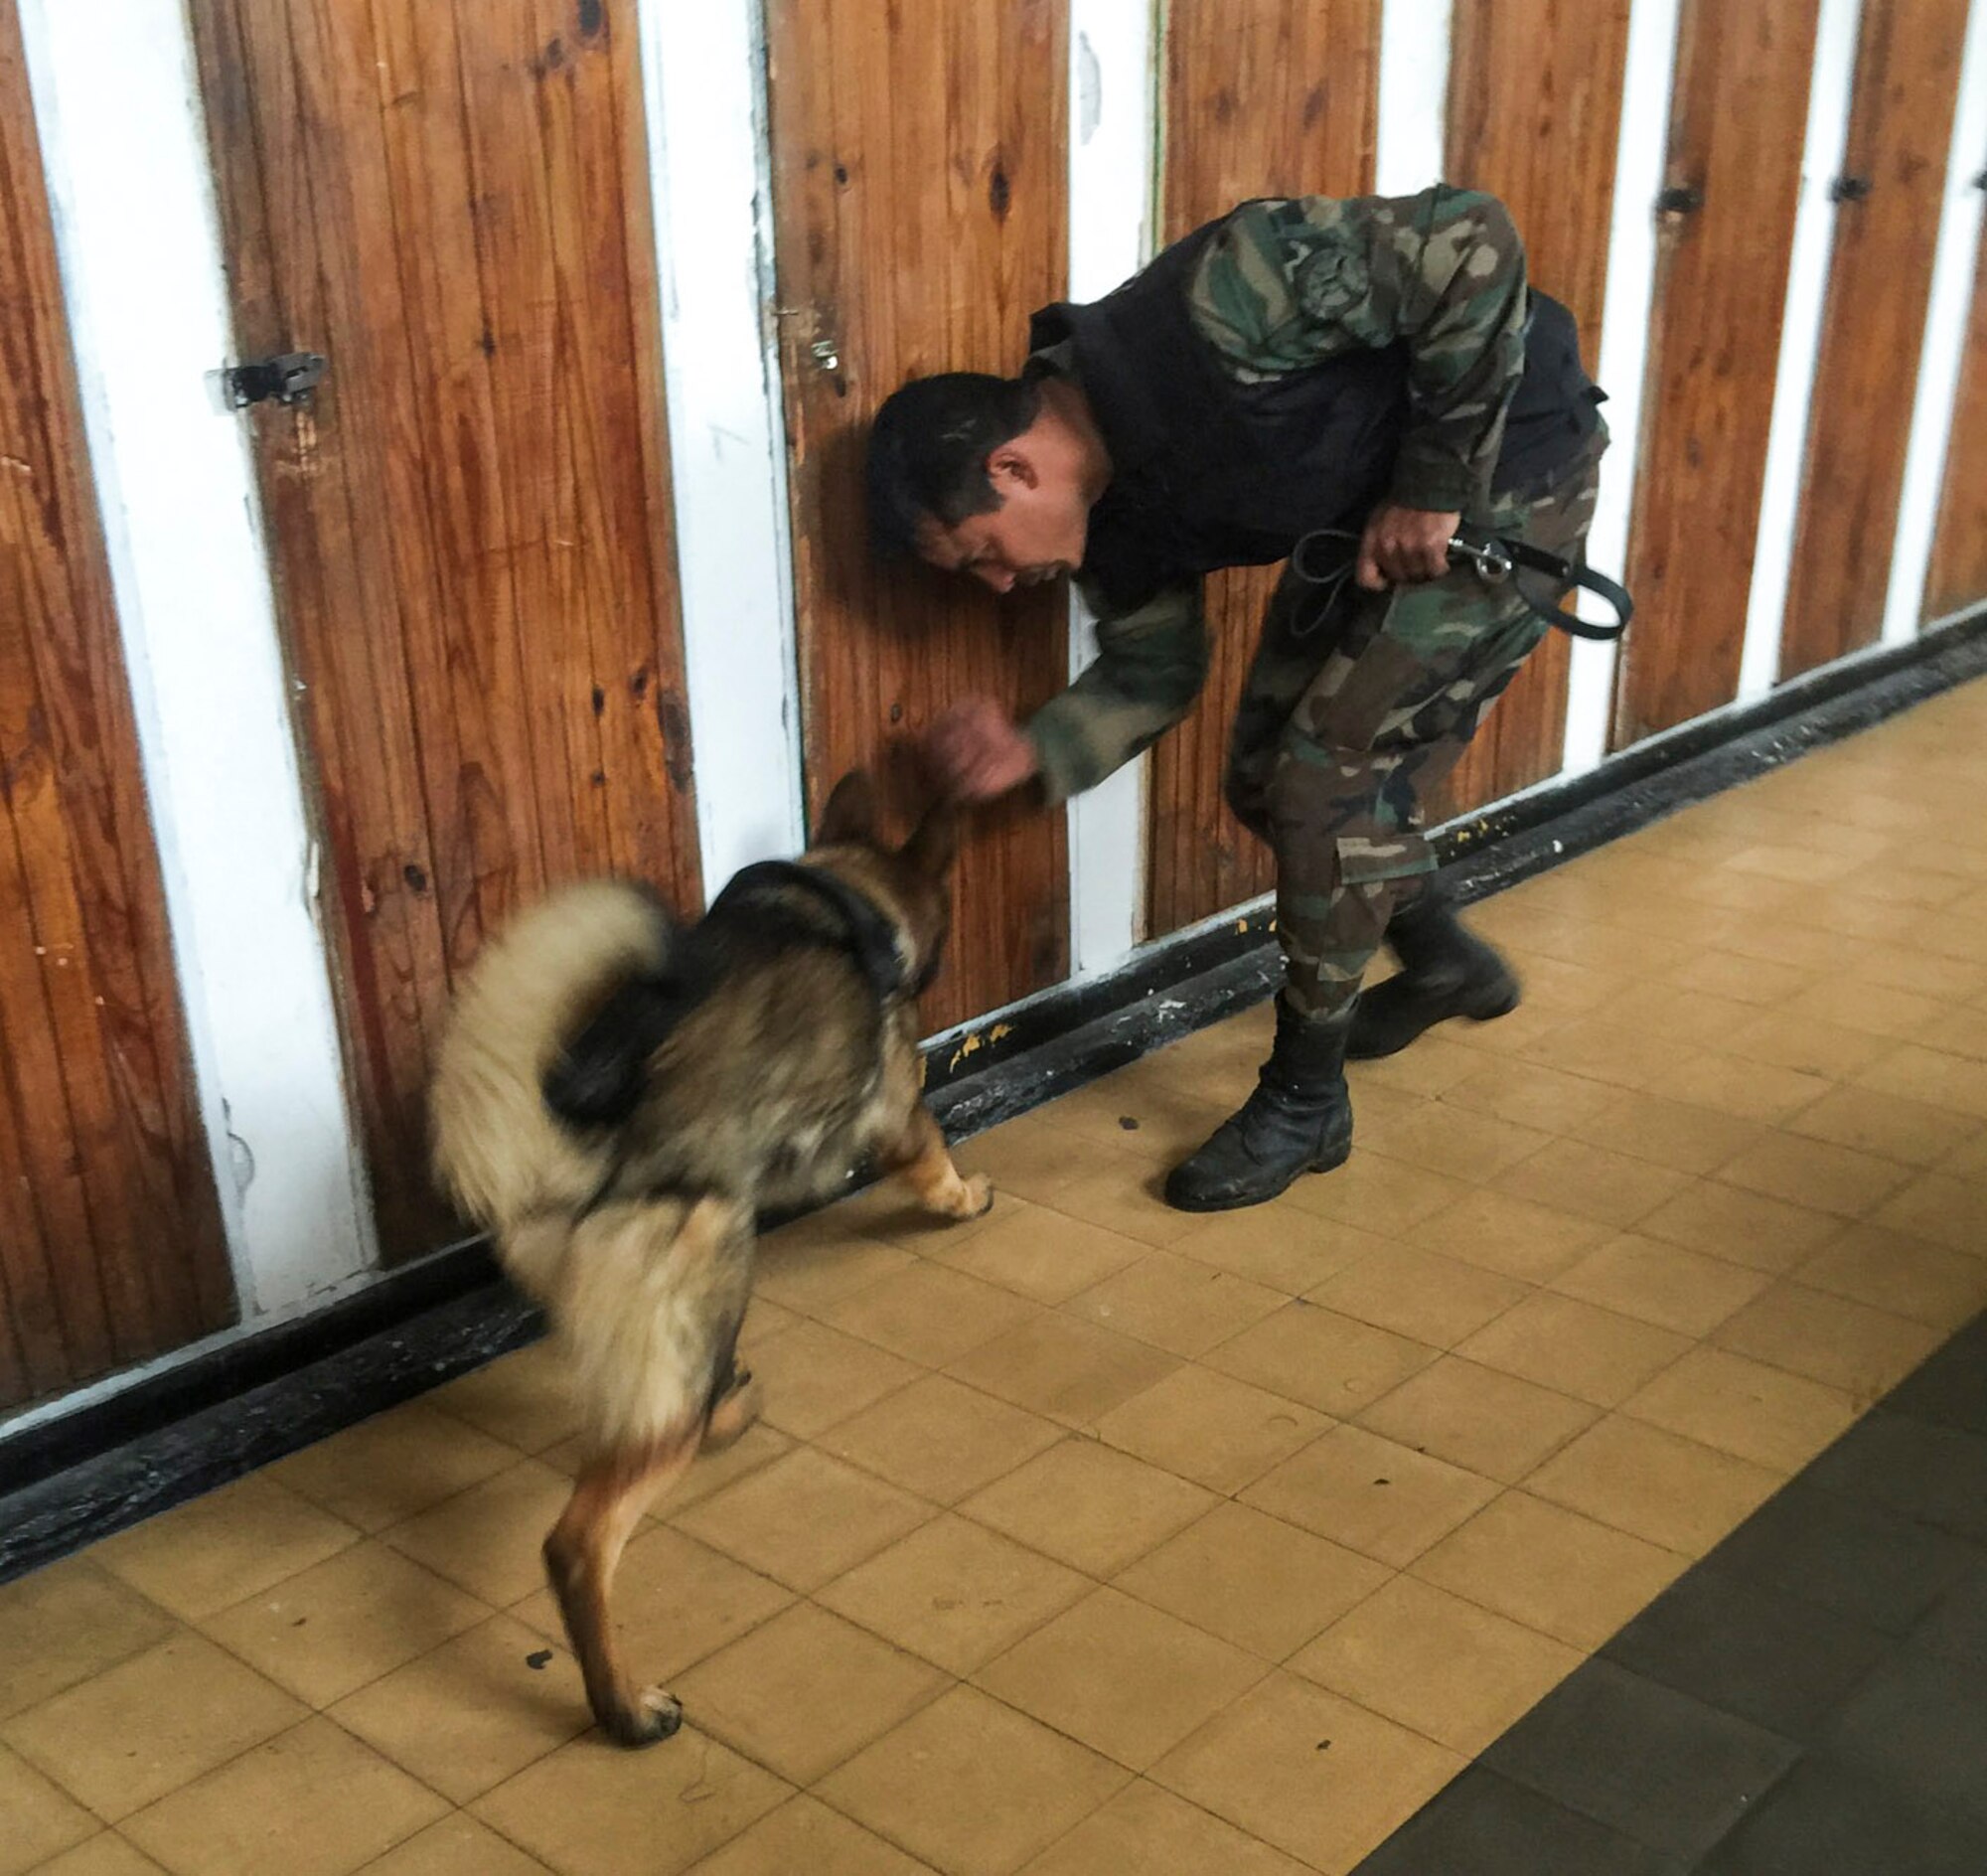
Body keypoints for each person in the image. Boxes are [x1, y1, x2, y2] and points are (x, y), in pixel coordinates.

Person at [866, 185, 1607, 1211]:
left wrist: (1433, 484)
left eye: (982, 555)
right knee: (1263, 779)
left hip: (1507, 472)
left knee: (1322, 783)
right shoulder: (1107, 522)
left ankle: (1305, 1101)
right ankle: (1441, 959)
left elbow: (1469, 238)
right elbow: (1152, 670)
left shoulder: (1218, 302)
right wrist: (1033, 749)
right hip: (1369, 523)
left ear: (1012, 467)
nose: (998, 587)